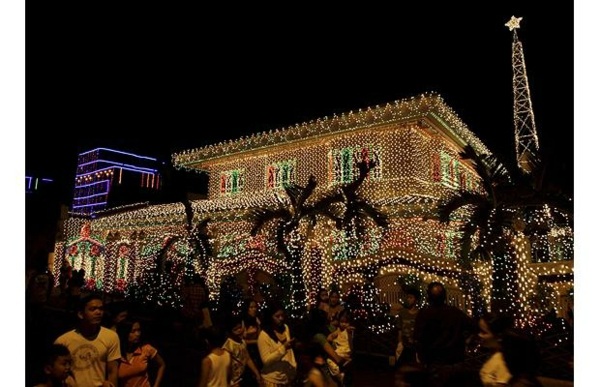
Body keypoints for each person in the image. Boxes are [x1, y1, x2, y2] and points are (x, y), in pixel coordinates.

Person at [413, 281, 477, 387]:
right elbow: (473, 326)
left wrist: (421, 356)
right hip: (455, 362)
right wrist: (468, 340)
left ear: (428, 297)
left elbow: (418, 337)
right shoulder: (455, 312)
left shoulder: (424, 314)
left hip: (435, 364)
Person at [54, 293, 121, 387]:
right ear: (81, 314)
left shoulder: (111, 337)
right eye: (93, 309)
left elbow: (112, 371)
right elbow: (56, 371)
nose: (98, 312)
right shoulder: (64, 340)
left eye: (101, 309)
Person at [116, 318, 166, 387]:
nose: (137, 334)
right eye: (133, 331)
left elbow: (162, 365)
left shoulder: (145, 348)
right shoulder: (117, 353)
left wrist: (156, 385)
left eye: (138, 330)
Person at [257, 301, 297, 387]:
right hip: (272, 380)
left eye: (282, 315)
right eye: (277, 316)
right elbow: (266, 360)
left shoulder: (285, 327)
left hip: (286, 378)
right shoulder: (264, 335)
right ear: (270, 317)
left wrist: (293, 365)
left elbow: (290, 352)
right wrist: (283, 348)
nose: (281, 318)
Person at [222, 315, 262, 387]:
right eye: (235, 329)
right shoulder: (228, 347)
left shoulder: (242, 341)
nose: (239, 330)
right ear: (230, 332)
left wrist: (257, 373)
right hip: (233, 381)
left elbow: (247, 358)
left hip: (242, 377)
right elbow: (225, 367)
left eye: (240, 327)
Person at [478, 312, 513, 386]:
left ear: (498, 337)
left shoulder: (504, 361)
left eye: (484, 332)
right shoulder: (494, 354)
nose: (479, 335)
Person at [326, 310, 354, 385]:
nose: (344, 324)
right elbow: (330, 338)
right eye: (342, 322)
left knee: (330, 360)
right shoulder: (338, 330)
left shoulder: (348, 330)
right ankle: (340, 375)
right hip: (339, 351)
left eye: (346, 322)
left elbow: (350, 338)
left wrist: (348, 331)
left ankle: (340, 375)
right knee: (330, 361)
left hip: (344, 351)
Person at [396, 287, 420, 366]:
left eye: (411, 298)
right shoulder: (402, 312)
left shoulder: (419, 314)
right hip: (404, 345)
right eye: (408, 297)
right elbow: (399, 329)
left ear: (416, 300)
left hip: (415, 346)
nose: (408, 299)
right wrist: (400, 343)